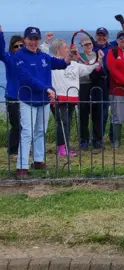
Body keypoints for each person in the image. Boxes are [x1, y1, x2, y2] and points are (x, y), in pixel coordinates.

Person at [14, 26, 71, 179]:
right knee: (27, 132)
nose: (33, 42)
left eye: (36, 39)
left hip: (44, 100)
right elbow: (26, 78)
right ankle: (22, 166)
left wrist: (70, 55)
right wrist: (47, 89)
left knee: (40, 131)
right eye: (30, 39)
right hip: (28, 100)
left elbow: (61, 64)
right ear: (25, 40)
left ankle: (38, 160)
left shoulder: (44, 56)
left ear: (39, 40)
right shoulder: (19, 56)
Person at [45, 38, 102, 157]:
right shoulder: (52, 62)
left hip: (72, 98)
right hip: (58, 98)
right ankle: (61, 148)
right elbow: (44, 53)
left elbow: (87, 68)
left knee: (67, 122)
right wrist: (46, 42)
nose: (68, 49)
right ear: (58, 49)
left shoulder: (74, 64)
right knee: (62, 122)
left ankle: (65, 146)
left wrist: (98, 59)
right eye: (65, 47)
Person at [94, 15, 124, 143]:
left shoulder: (113, 46)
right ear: (96, 36)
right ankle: (99, 138)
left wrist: (122, 22)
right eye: (99, 35)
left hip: (112, 81)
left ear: (107, 37)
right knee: (102, 111)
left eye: (104, 35)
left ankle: (113, 137)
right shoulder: (93, 48)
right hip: (98, 82)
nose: (102, 37)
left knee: (115, 110)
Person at [76, 35, 107, 150]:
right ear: (82, 46)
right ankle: (84, 139)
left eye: (90, 44)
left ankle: (97, 139)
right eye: (86, 44)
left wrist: (99, 61)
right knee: (83, 113)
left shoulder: (97, 55)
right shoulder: (78, 57)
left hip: (95, 86)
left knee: (97, 113)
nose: (88, 46)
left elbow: (101, 69)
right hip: (83, 85)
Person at [0, 25, 24, 160]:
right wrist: (0, 35)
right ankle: (12, 151)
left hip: (26, 96)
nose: (19, 48)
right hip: (12, 96)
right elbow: (0, 53)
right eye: (16, 46)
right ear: (12, 47)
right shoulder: (9, 58)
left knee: (27, 125)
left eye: (21, 46)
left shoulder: (26, 58)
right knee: (16, 125)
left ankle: (24, 148)